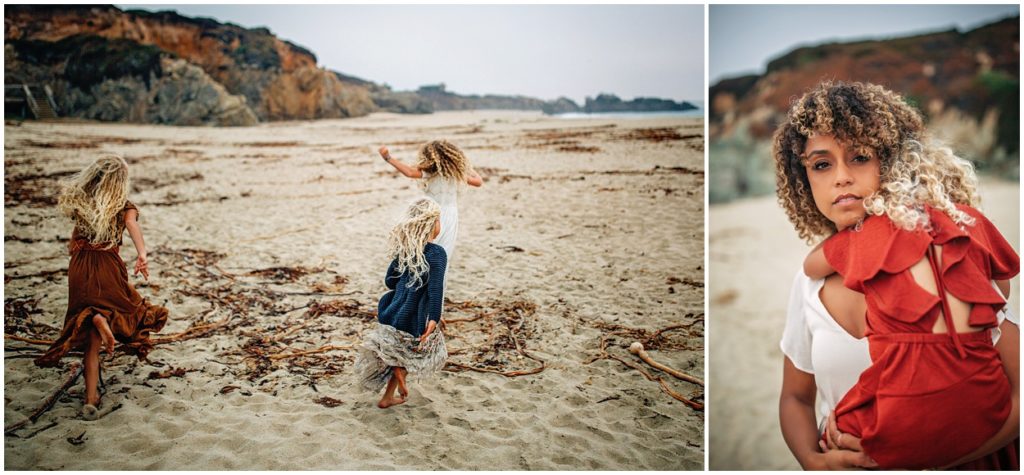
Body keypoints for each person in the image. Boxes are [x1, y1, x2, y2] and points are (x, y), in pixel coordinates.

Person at [775, 81, 1019, 469]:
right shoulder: (810, 284)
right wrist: (811, 459)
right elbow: (795, 399)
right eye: (821, 164)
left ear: (892, 162)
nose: (841, 177)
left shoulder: (951, 253)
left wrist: (928, 461)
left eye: (860, 157)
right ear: (803, 180)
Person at [35, 154, 169, 420]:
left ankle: (90, 397)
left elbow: (72, 243)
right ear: (120, 182)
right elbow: (131, 225)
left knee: (89, 337)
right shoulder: (124, 207)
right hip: (108, 264)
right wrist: (142, 254)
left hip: (79, 267)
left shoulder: (82, 202)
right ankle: (100, 318)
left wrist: (78, 253)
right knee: (129, 307)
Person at [355, 197, 448, 409]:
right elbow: (435, 290)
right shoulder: (437, 254)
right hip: (415, 315)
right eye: (438, 221)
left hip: (393, 310)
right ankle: (400, 371)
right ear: (431, 224)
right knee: (415, 352)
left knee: (398, 350)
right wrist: (434, 318)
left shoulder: (405, 250)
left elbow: (390, 280)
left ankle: (387, 397)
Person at [378, 139, 483, 260]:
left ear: (429, 158)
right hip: (450, 216)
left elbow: (409, 172)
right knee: (444, 252)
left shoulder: (430, 173)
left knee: (425, 250)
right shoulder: (456, 175)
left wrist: (388, 158)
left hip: (431, 214)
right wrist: (465, 166)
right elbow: (478, 181)